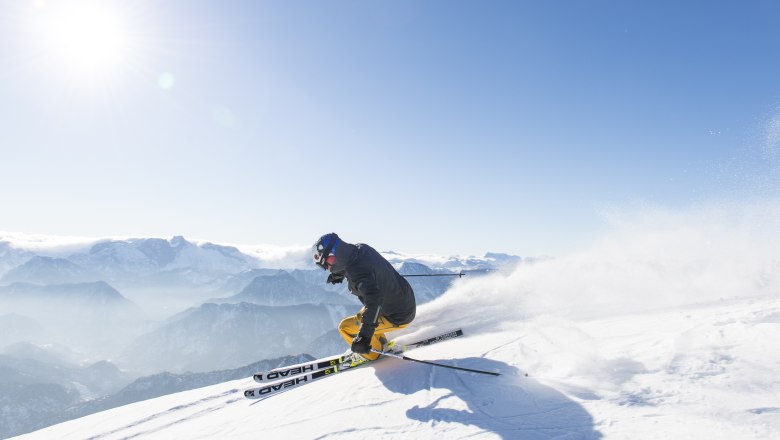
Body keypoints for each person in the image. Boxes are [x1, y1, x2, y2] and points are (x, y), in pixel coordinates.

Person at [312, 232, 416, 363]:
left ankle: (371, 355)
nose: (329, 268)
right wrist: (341, 273)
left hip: (397, 315)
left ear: (335, 254)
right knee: (362, 316)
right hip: (404, 300)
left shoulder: (358, 273)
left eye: (328, 263)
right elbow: (358, 265)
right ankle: (381, 343)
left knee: (345, 327)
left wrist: (364, 337)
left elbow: (374, 300)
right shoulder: (360, 249)